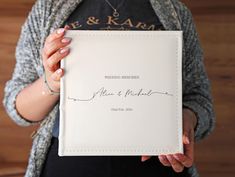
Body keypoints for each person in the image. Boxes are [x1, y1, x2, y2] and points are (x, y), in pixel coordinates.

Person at [3, 0, 215, 177]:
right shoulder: (47, 8)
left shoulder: (175, 12)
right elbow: (18, 108)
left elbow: (200, 100)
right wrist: (52, 82)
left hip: (155, 165)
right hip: (69, 167)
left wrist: (185, 121)